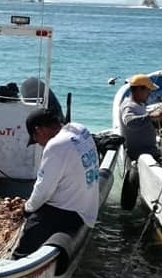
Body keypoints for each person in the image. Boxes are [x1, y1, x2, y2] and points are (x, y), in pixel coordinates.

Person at [13, 109, 100, 258]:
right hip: (88, 206)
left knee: (32, 227)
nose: (39, 145)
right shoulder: (79, 129)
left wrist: (27, 209)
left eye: (35, 139)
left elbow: (43, 191)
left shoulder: (56, 145)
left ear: (38, 130)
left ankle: (18, 260)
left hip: (73, 212)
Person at [119, 73, 162, 161]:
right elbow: (130, 122)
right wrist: (151, 116)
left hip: (149, 152)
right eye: (148, 90)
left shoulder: (139, 104)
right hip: (140, 157)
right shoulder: (129, 106)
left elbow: (142, 121)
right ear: (139, 89)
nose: (149, 94)